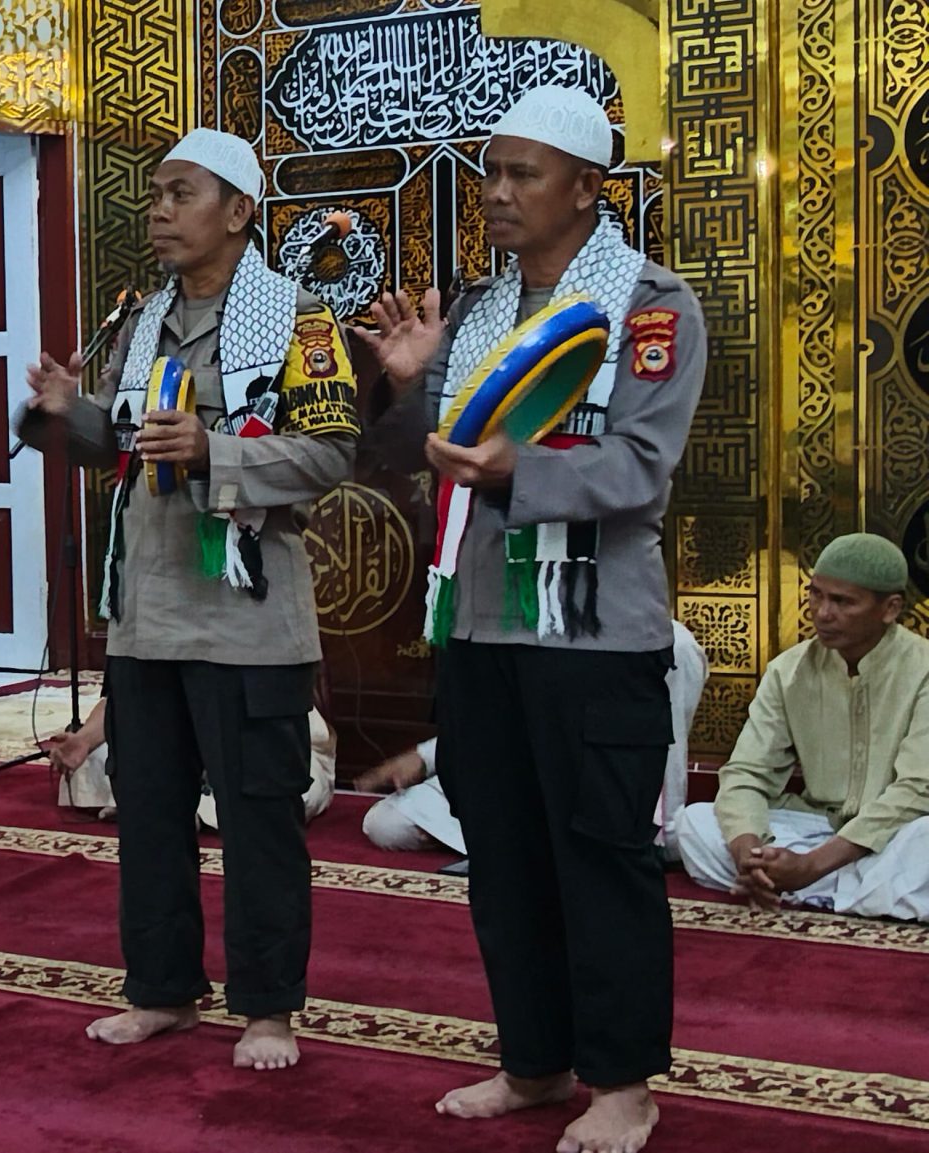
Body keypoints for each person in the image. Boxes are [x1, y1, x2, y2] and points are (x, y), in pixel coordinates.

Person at [350, 86, 704, 1153]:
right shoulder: (477, 310)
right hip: (481, 628)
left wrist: (519, 471)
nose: (496, 192)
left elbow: (640, 467)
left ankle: (622, 1084)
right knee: (503, 861)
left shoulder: (649, 306)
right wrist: (405, 387)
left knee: (600, 859)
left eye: (522, 174)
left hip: (594, 637)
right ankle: (535, 1060)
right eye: (490, 172)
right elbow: (421, 455)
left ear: (586, 187)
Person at [22, 128, 359, 1070]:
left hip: (248, 621)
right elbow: (123, 446)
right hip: (148, 616)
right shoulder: (141, 321)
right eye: (155, 195)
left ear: (239, 210)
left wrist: (218, 451)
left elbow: (332, 454)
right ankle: (162, 990)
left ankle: (267, 1008)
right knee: (149, 813)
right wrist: (68, 412)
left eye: (181, 194)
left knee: (258, 823)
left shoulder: (300, 320)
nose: (159, 211)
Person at [673, 534, 929, 919]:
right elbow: (746, 773)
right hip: (817, 826)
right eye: (816, 595)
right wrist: (750, 854)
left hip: (895, 834)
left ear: (890, 608)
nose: (822, 613)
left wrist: (812, 866)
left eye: (842, 601)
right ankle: (834, 890)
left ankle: (807, 888)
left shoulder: (923, 670)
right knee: (694, 824)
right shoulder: (788, 671)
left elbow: (918, 789)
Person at [362, 619, 708, 856]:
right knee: (387, 824)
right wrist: (426, 757)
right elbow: (502, 727)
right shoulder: (524, 624)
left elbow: (666, 750)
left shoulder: (664, 642)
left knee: (686, 834)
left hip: (602, 788)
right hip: (525, 782)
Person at [45, 692, 339, 829]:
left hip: (256, 743)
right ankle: (176, 806)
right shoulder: (162, 625)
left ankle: (166, 806)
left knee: (290, 791)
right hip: (180, 745)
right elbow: (121, 700)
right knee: (102, 759)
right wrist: (83, 741)